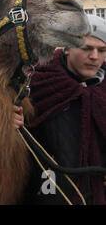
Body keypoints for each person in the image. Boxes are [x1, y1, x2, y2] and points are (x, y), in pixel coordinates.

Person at [23, 14, 106, 205]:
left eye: (102, 50)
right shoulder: (34, 83)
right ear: (67, 48)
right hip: (47, 194)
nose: (94, 57)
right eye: (86, 48)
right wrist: (8, 119)